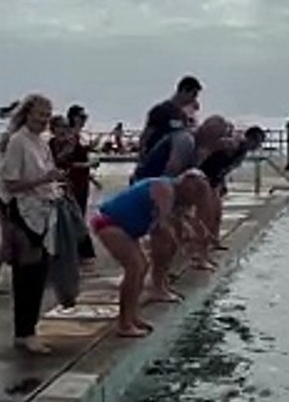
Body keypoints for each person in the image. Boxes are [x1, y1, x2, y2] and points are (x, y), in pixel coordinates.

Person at [91, 171, 208, 337]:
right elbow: (162, 225)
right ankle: (124, 324)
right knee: (135, 267)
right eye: (195, 194)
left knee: (142, 266)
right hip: (109, 222)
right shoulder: (164, 189)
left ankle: (132, 317)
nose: (193, 200)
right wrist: (178, 243)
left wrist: (190, 235)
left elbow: (182, 221)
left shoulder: (176, 193)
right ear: (187, 185)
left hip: (124, 227)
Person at [0, 94, 62, 355]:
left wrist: (54, 182)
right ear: (27, 114)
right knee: (27, 275)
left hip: (43, 211)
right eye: (39, 114)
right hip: (23, 214)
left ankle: (29, 329)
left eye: (47, 115)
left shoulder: (42, 142)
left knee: (39, 274)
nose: (44, 120)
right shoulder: (18, 142)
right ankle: (24, 332)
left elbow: (47, 173)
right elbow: (10, 184)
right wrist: (42, 180)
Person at [198, 126, 266, 249]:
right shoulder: (234, 146)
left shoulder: (242, 151)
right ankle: (203, 244)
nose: (257, 146)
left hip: (215, 181)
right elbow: (214, 161)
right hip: (205, 179)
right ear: (250, 138)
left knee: (216, 214)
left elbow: (224, 169)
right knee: (207, 214)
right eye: (257, 142)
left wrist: (222, 184)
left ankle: (214, 240)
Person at [52, 106, 100, 267]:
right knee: (75, 216)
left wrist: (91, 176)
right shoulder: (69, 138)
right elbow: (64, 162)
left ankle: (80, 254)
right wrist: (88, 164)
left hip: (79, 181)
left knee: (76, 215)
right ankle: (83, 254)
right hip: (71, 183)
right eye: (82, 116)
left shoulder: (73, 137)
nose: (85, 119)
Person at [0, 101, 21, 295]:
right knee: (7, 240)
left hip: (16, 194)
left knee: (20, 239)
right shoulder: (11, 137)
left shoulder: (22, 137)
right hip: (6, 195)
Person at [138, 76, 202, 157]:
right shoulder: (161, 110)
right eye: (193, 94)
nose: (194, 99)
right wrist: (143, 155)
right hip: (156, 156)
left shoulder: (183, 115)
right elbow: (146, 135)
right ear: (184, 90)